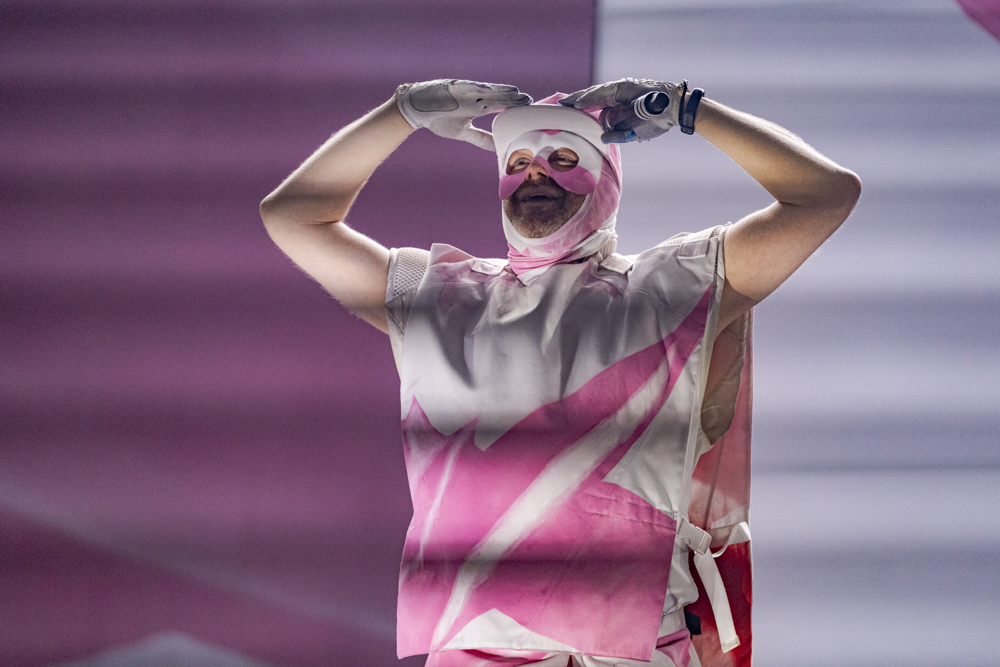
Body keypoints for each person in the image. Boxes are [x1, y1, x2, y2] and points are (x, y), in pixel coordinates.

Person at [259, 78, 860, 667]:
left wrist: (686, 108)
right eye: (517, 161)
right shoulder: (439, 296)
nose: (535, 174)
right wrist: (401, 113)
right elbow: (292, 217)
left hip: (636, 651)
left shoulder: (673, 287)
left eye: (563, 158)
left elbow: (826, 195)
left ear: (606, 181)